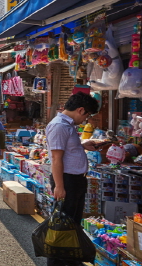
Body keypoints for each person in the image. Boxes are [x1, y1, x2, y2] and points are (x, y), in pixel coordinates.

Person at [45, 92, 101, 266]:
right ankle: (58, 262)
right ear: (81, 109)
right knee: (63, 224)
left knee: (71, 223)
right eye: (87, 115)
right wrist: (60, 186)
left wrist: (82, 145)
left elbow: (66, 150)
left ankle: (68, 259)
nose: (86, 120)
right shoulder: (60, 126)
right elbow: (56, 158)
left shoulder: (66, 126)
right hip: (67, 181)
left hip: (74, 180)